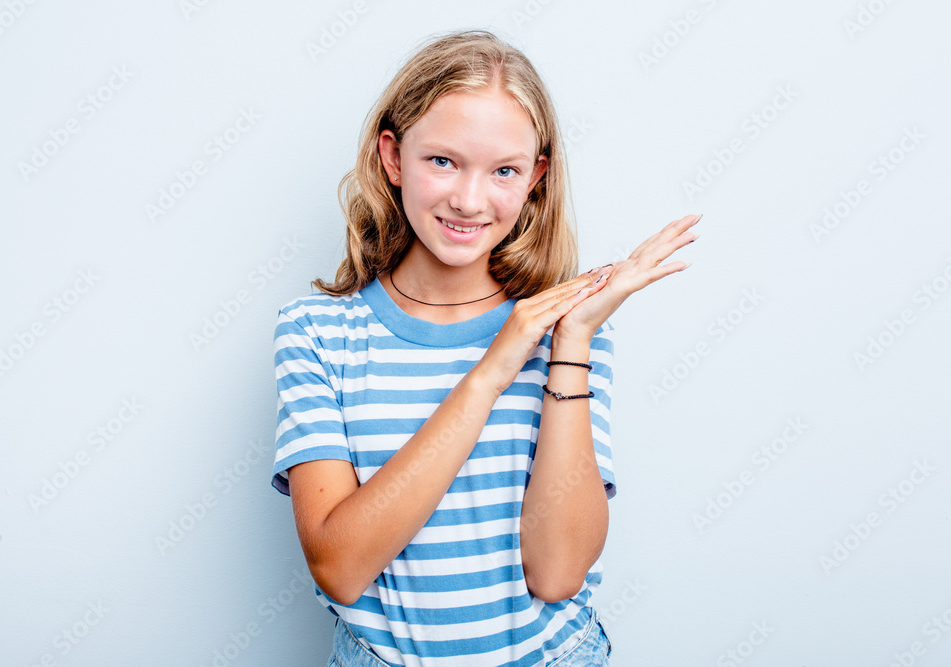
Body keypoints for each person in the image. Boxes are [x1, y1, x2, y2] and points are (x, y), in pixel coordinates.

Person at [270, 28, 700, 666]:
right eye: (442, 160)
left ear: (535, 178)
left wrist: (573, 342)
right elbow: (340, 564)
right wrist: (491, 371)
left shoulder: (571, 332)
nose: (470, 200)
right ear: (392, 156)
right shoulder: (317, 334)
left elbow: (555, 575)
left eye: (504, 170)